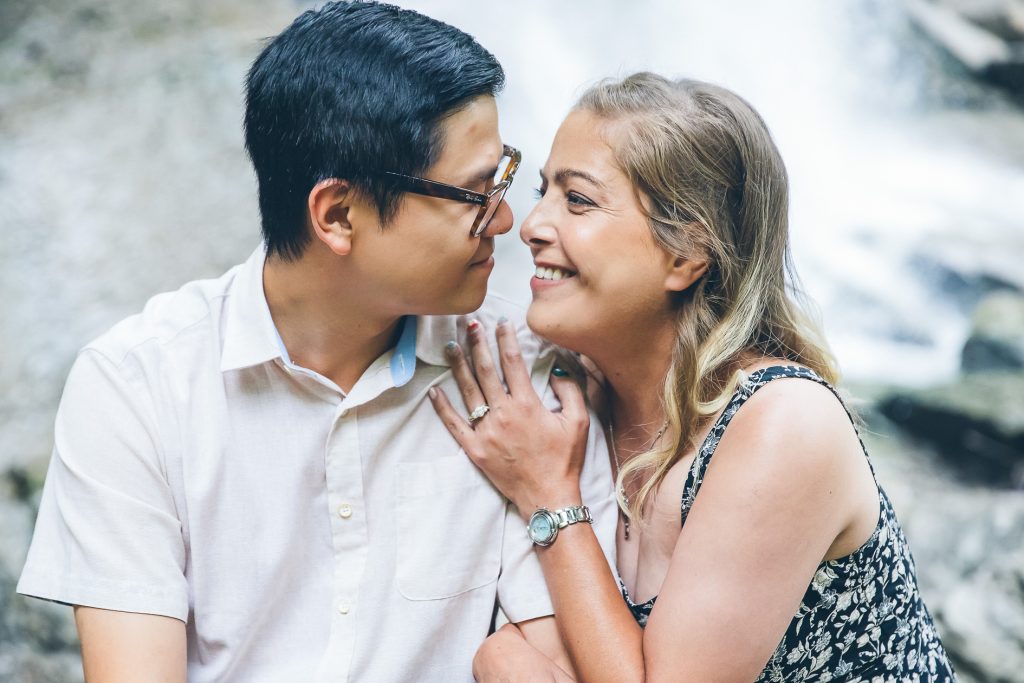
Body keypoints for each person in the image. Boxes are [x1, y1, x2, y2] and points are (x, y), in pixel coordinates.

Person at [16, 3, 616, 681]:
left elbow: (553, 667)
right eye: (477, 193)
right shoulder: (137, 387)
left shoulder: (521, 375)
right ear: (337, 214)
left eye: (503, 176)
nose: (507, 219)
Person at [430, 72, 956, 681]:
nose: (529, 225)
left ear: (685, 255)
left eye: (576, 200)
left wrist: (549, 494)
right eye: (543, 190)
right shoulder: (582, 398)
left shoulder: (781, 424)